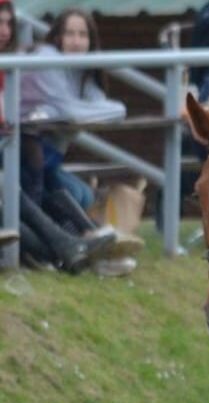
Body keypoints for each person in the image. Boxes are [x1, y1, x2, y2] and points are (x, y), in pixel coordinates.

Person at [19, 8, 143, 274]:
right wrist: (69, 110)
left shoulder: (81, 70)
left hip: (47, 158)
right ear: (57, 37)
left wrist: (70, 109)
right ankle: (82, 246)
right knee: (75, 194)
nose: (76, 41)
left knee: (78, 193)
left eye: (82, 35)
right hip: (21, 153)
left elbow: (114, 109)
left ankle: (94, 245)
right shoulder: (46, 58)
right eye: (70, 34)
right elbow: (70, 112)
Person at [0, 1, 117, 273]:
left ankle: (82, 244)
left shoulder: (15, 64)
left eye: (7, 23)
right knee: (17, 186)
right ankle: (71, 247)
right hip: (16, 157)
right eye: (70, 34)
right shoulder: (37, 62)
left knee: (70, 191)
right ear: (57, 37)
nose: (4, 30)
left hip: (22, 154)